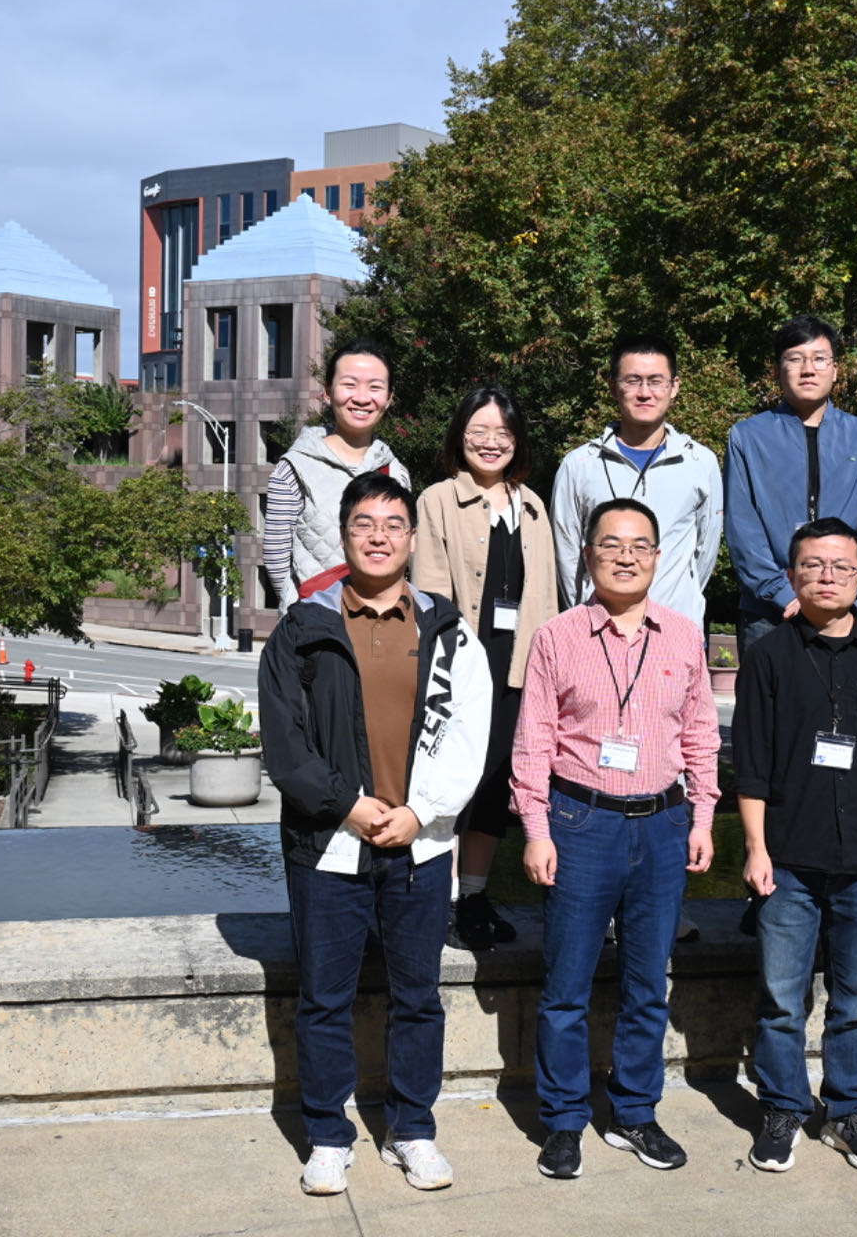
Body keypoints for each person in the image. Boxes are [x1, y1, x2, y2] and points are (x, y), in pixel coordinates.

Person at [258, 472, 494, 1196]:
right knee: (324, 999)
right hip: (328, 845)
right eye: (364, 524)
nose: (379, 537)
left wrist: (420, 811)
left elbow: (470, 732)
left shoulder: (446, 630)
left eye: (393, 524)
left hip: (420, 846)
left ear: (412, 538)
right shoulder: (303, 629)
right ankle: (328, 1136)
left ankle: (412, 1129)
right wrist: (351, 807)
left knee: (417, 997)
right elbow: (285, 748)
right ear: (344, 535)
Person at [512, 498, 720, 1181]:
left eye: (639, 546)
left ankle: (634, 1112)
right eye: (611, 544)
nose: (625, 557)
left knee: (647, 984)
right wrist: (536, 830)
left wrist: (703, 818)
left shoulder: (684, 636)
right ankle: (564, 1120)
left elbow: (701, 734)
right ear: (588, 554)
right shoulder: (557, 636)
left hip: (662, 824)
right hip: (582, 823)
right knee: (566, 986)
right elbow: (533, 741)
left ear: (658, 557)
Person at [732, 517, 857, 1173]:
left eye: (841, 566)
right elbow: (752, 764)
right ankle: (783, 1107)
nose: (826, 576)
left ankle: (847, 1110)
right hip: (789, 859)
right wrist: (755, 848)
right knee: (781, 1002)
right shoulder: (768, 656)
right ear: (791, 575)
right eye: (812, 565)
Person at [412, 387, 554, 950]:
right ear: (459, 437)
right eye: (479, 432)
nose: (491, 443)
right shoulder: (438, 499)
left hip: (519, 667)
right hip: (462, 666)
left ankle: (474, 895)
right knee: (453, 784)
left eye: (503, 433)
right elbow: (430, 594)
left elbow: (546, 598)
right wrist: (444, 671)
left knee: (496, 784)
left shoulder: (533, 506)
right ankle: (442, 899)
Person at [724, 316, 857, 653]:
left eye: (819, 359)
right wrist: (782, 593)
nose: (808, 369)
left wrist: (842, 585)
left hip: (841, 606)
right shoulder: (748, 437)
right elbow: (742, 527)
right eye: (795, 359)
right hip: (769, 611)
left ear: (835, 370)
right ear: (777, 371)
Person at [550, 333, 723, 633]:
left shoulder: (700, 463)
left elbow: (704, 554)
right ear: (613, 387)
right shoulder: (580, 465)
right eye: (633, 381)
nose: (645, 393)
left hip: (675, 631)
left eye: (656, 381)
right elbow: (567, 558)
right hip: (598, 632)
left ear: (674, 387)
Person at [262, 338, 412, 610]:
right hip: (316, 620)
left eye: (375, 387)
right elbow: (276, 555)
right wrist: (297, 611)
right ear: (328, 392)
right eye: (349, 384)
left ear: (389, 398)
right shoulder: (294, 468)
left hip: (383, 618)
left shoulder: (396, 472)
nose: (362, 398)